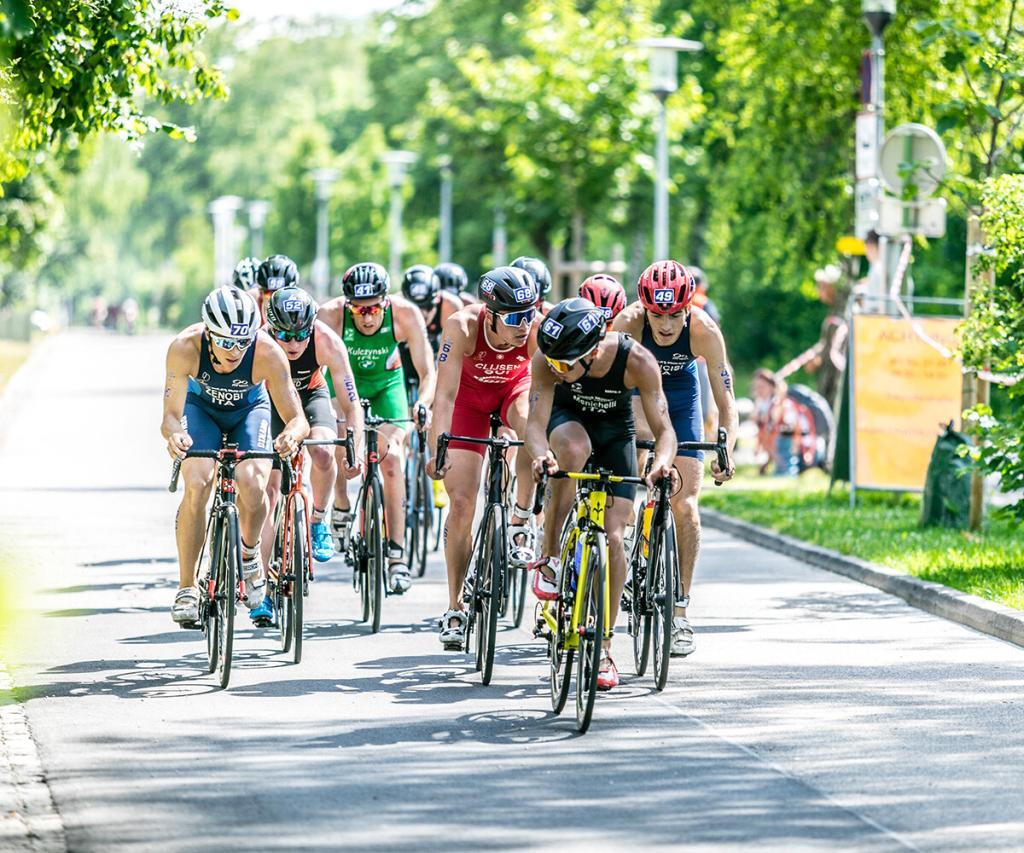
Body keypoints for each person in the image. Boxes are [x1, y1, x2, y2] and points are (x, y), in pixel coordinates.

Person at [527, 297, 680, 691]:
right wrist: (541, 455)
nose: (557, 371)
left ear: (593, 350)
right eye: (553, 363)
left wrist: (661, 464)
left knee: (614, 539)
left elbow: (665, 432)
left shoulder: (637, 361)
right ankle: (552, 557)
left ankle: (605, 645)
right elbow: (535, 423)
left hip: (615, 434)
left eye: (566, 364)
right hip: (567, 421)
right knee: (572, 453)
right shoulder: (549, 361)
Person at [161, 287, 309, 625]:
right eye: (226, 342)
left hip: (249, 411)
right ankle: (187, 588)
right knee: (198, 481)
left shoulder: (268, 352)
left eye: (243, 342)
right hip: (201, 412)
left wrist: (290, 435)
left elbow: (298, 418)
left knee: (253, 481)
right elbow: (170, 416)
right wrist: (175, 436)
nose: (235, 351)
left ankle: (249, 554)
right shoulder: (185, 347)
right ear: (209, 333)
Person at [612, 260, 737, 658]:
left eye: (675, 315)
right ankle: (630, 538)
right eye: (657, 315)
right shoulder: (626, 325)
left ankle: (680, 610)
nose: (666, 325)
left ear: (688, 308)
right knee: (625, 484)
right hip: (633, 393)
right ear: (643, 309)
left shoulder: (704, 331)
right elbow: (607, 391)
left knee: (685, 505)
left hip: (681, 395)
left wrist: (726, 447)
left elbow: (726, 402)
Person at [427, 266, 540, 650]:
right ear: (489, 313)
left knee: (531, 430)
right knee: (460, 503)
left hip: (514, 392)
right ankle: (455, 606)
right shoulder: (462, 327)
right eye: (514, 318)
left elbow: (545, 394)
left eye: (529, 314)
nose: (524, 325)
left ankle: (520, 517)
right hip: (468, 403)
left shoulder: (535, 330)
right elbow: (443, 396)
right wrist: (436, 450)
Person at [318, 261, 436, 594]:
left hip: (387, 388)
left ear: (385, 302)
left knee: (393, 459)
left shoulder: (404, 314)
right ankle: (341, 505)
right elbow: (314, 368)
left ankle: (397, 555)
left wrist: (422, 403)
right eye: (359, 310)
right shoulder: (330, 315)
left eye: (374, 309)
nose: (368, 318)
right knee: (341, 440)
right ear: (347, 305)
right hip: (345, 385)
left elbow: (427, 372)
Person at [248, 287, 364, 625]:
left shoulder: (326, 340)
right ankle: (261, 589)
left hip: (311, 396)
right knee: (268, 490)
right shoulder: (258, 343)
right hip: (268, 402)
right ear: (270, 327)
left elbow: (350, 399)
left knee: (325, 453)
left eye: (300, 334)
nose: (294, 343)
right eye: (284, 334)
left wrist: (353, 442)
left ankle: (317, 521)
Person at [399, 263, 462, 401]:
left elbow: (454, 352)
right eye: (414, 307)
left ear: (438, 298)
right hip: (405, 350)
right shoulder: (397, 307)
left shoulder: (450, 305)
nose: (422, 314)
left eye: (428, 306)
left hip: (437, 348)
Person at [252, 254, 300, 323]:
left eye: (283, 296)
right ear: (260, 292)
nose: (273, 301)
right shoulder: (250, 307)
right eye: (268, 293)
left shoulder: (303, 309)